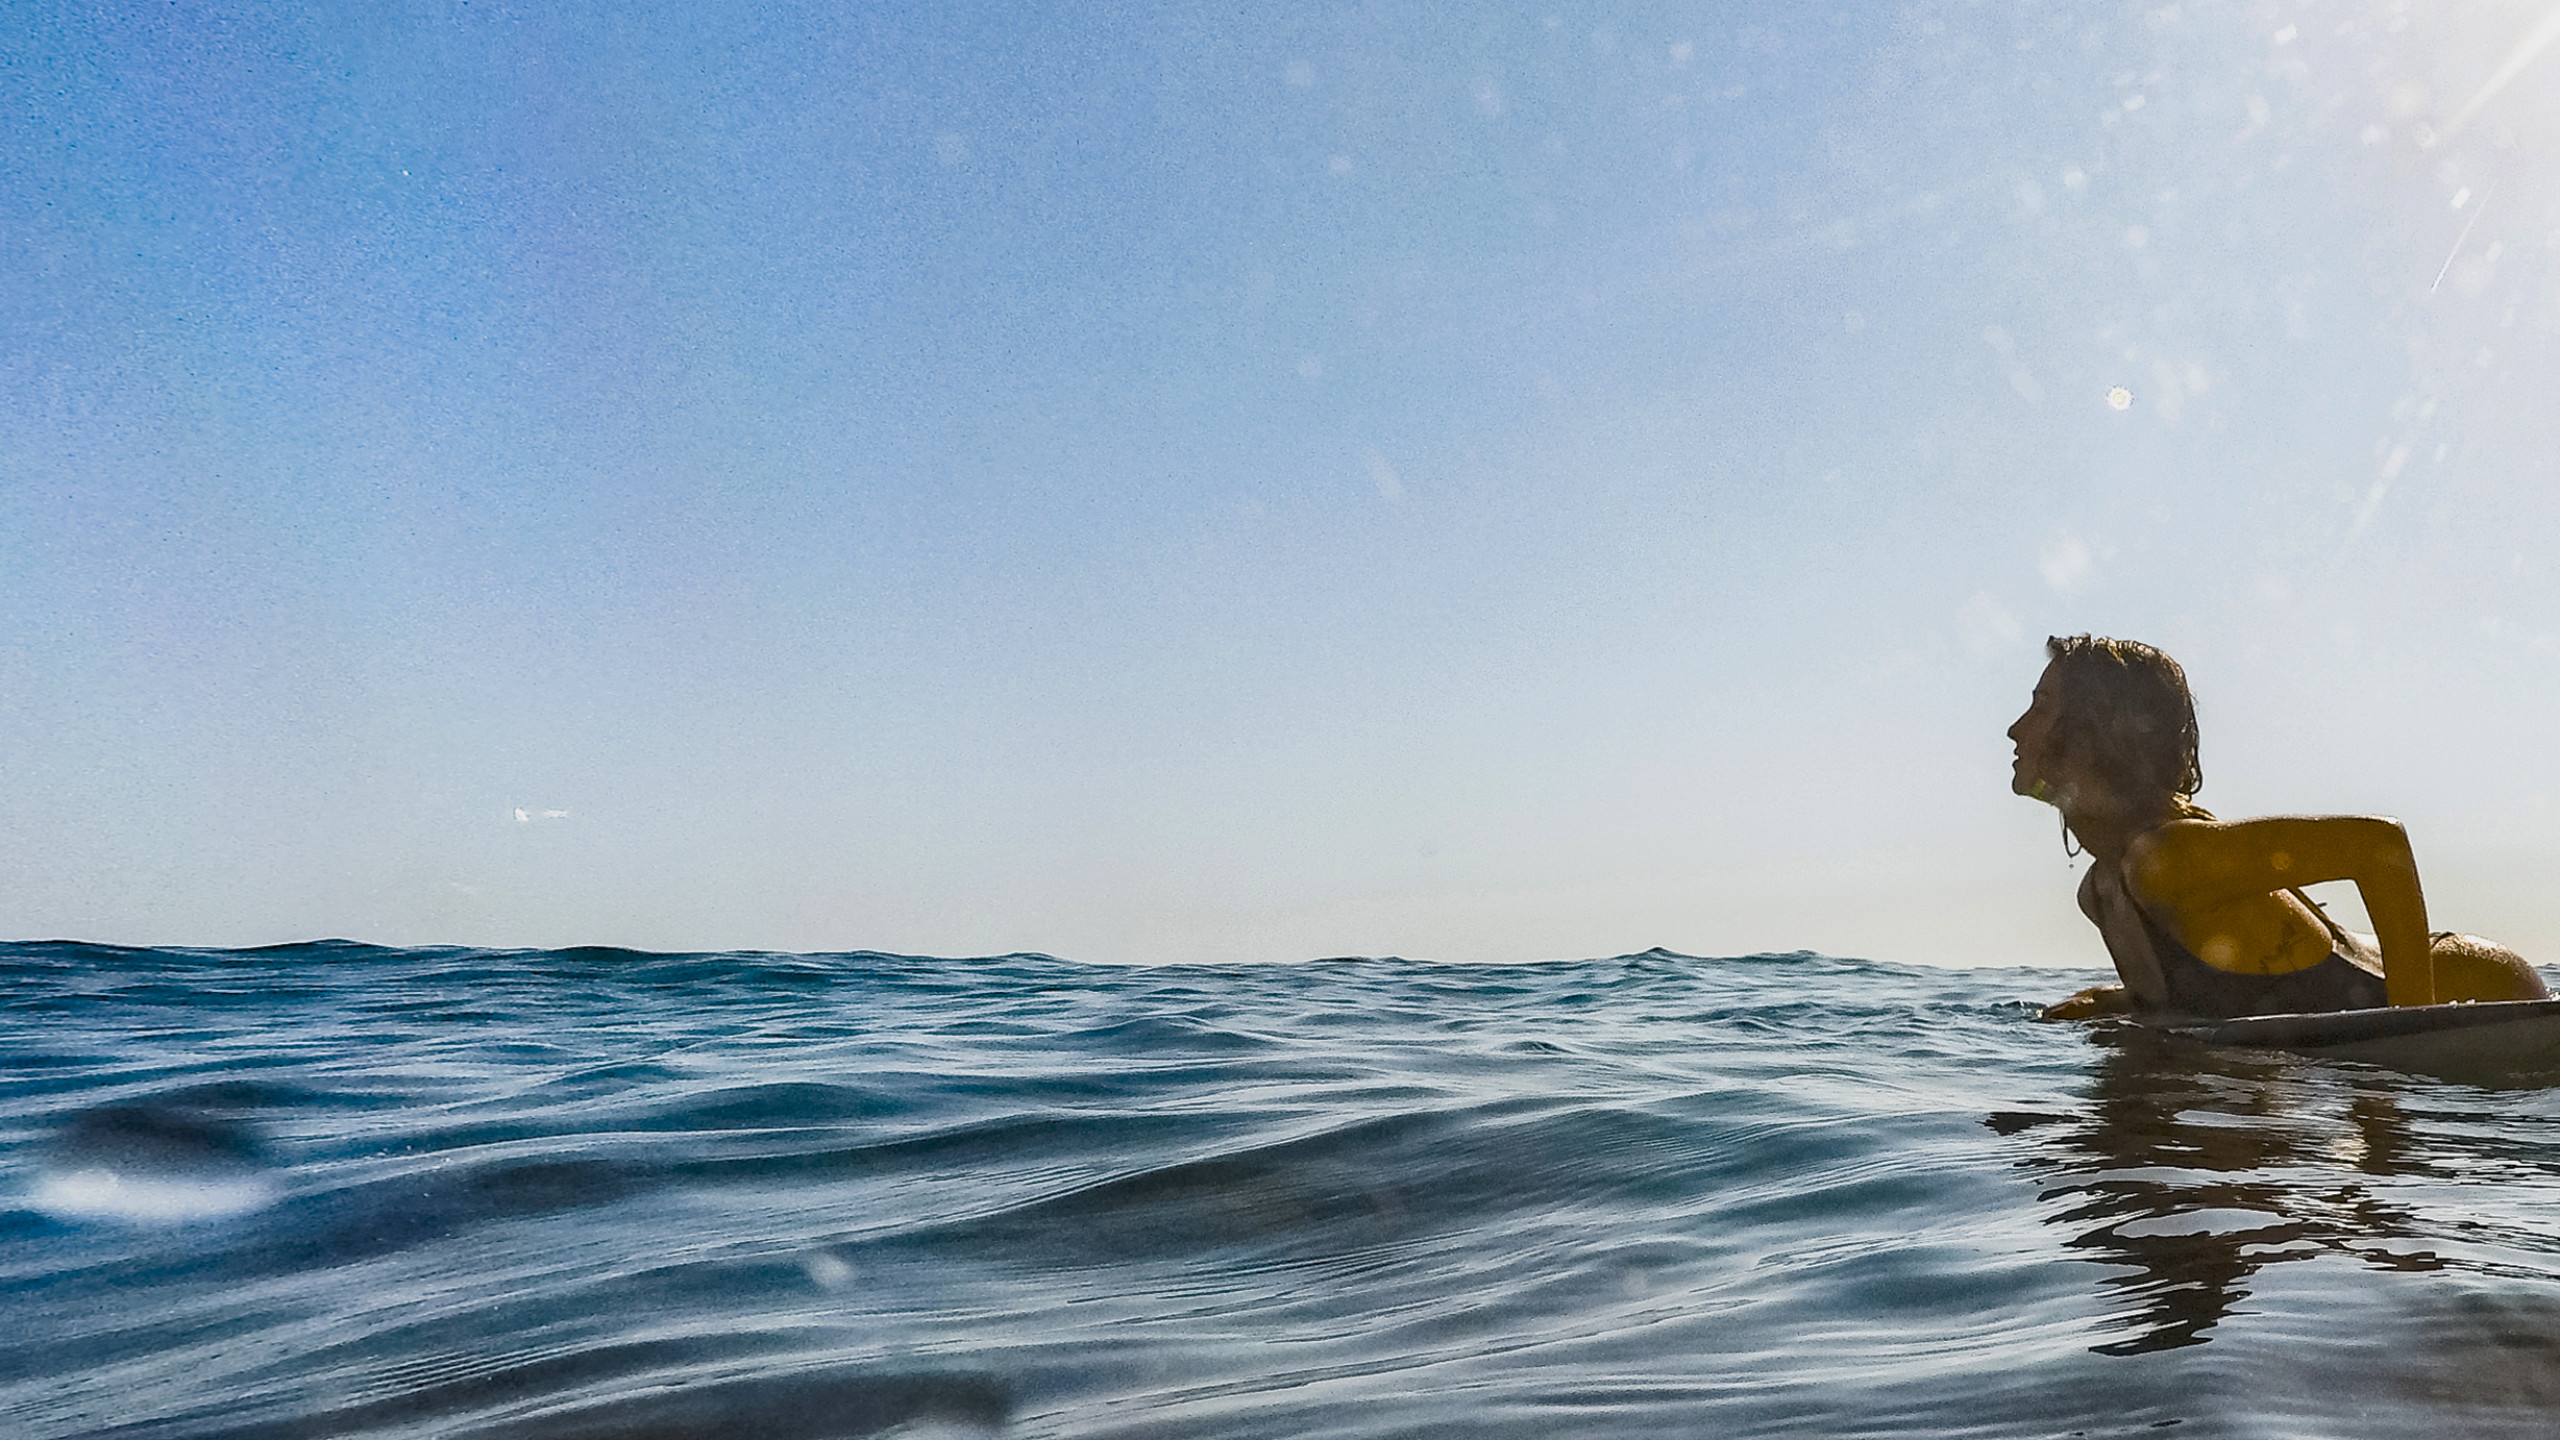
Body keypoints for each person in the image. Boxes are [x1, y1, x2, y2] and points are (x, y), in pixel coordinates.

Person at [2011, 634, 2548, 1020]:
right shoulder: (2103, 890)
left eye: (2040, 706)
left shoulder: (2171, 858)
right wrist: (2115, 1001)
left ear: (2094, 732)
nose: (2016, 729)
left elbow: (2381, 847)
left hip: (2486, 991)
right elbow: (2216, 994)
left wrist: (2415, 1036)